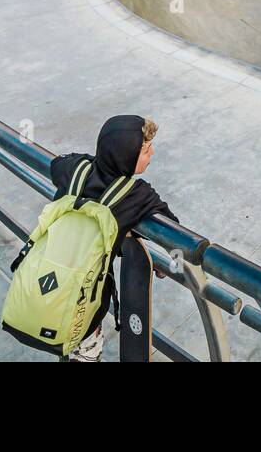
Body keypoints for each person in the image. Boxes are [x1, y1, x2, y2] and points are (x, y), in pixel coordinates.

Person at [49, 115, 177, 362]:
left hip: (50, 275)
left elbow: (57, 163)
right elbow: (172, 228)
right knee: (83, 350)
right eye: (146, 149)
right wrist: (168, 266)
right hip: (83, 299)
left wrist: (90, 161)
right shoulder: (135, 195)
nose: (152, 153)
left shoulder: (75, 169)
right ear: (126, 158)